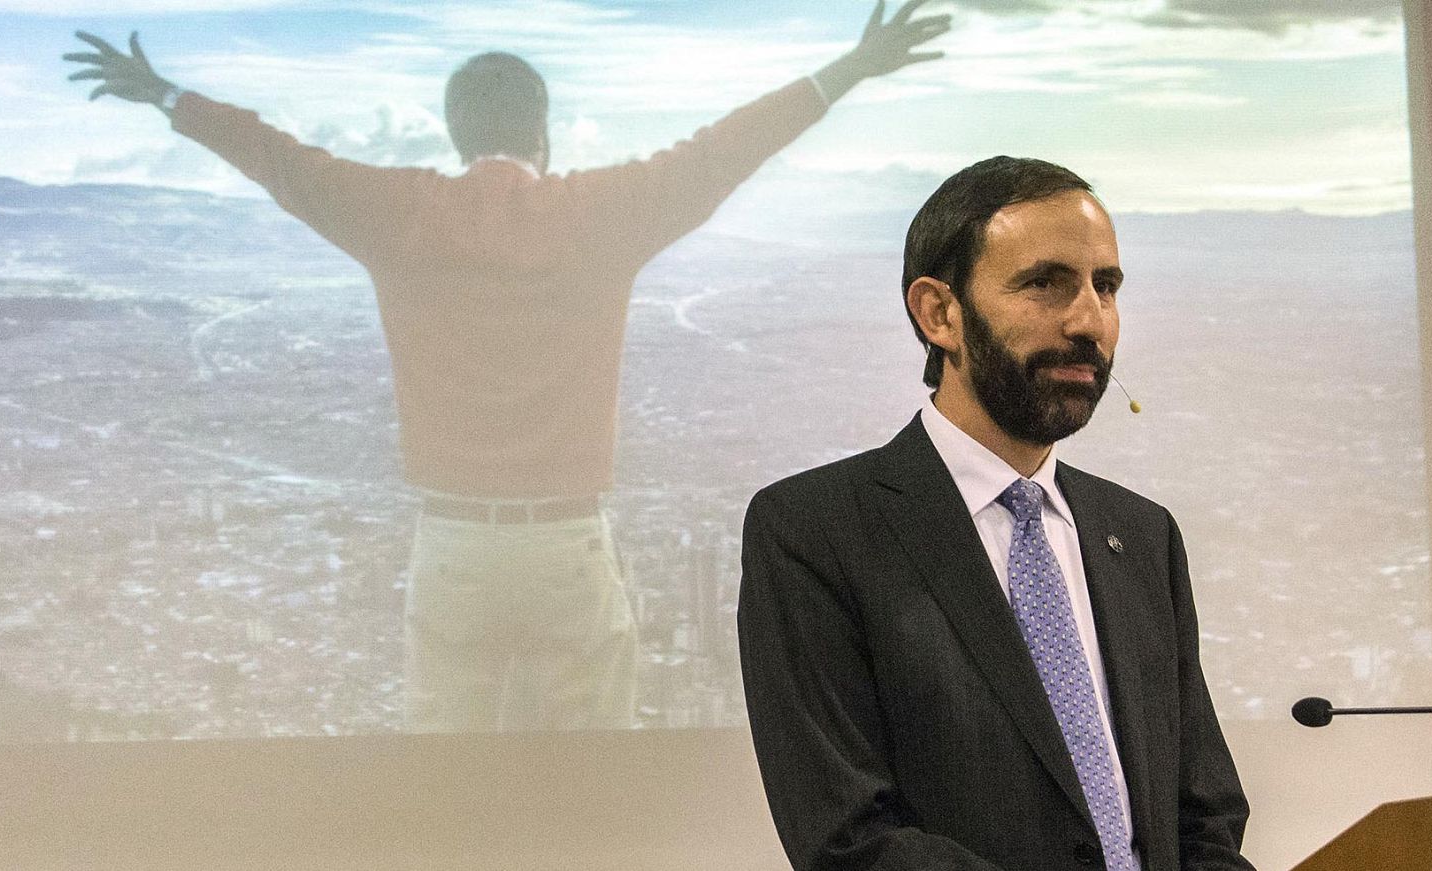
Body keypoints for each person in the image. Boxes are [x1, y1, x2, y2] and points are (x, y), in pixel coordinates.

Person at [63, 2, 952, 733]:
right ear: (543, 133)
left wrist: (165, 95)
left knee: (445, 793)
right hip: (567, 548)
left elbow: (282, 161)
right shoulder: (597, 213)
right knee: (587, 795)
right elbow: (721, 151)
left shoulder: (396, 213)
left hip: (452, 547)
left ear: (456, 134)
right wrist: (849, 69)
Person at [738, 157, 1254, 870]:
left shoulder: (1140, 534)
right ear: (939, 313)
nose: (1089, 320)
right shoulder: (815, 532)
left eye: (1106, 287)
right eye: (1045, 283)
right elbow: (849, 838)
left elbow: (1204, 815)